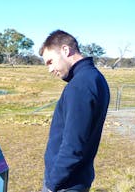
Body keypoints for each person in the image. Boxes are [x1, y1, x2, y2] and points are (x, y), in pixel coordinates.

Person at [39, 30, 110, 192]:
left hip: (65, 184)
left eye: (50, 62)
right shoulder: (95, 77)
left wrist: (51, 184)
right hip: (77, 178)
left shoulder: (79, 86)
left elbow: (73, 146)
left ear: (65, 50)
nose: (50, 70)